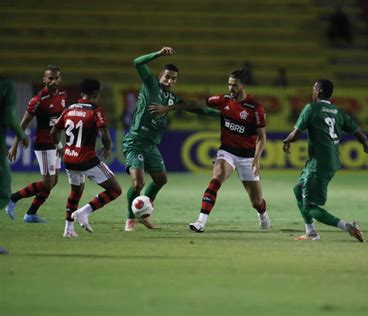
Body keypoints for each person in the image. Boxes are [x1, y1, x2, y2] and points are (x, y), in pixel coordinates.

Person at [123, 47, 219, 232]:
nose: (169, 81)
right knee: (138, 183)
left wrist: (223, 114)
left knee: (160, 180)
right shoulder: (150, 84)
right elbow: (137, 62)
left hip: (151, 145)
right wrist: (158, 54)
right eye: (167, 77)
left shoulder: (171, 98)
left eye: (173, 78)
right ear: (160, 76)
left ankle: (144, 212)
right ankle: (130, 219)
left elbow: (197, 109)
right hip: (136, 141)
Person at [282, 79, 368, 242]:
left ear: (319, 92)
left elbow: (295, 133)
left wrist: (287, 141)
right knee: (298, 190)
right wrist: (366, 145)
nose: (312, 92)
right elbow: (357, 131)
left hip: (319, 164)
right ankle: (310, 232)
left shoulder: (312, 108)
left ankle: (348, 226)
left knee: (310, 207)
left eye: (314, 89)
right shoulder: (338, 111)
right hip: (328, 162)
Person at [188, 69, 270, 233]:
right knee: (216, 178)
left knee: (256, 201)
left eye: (234, 85)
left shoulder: (255, 108)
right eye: (229, 84)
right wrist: (170, 107)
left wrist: (256, 159)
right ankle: (200, 222)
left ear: (244, 85)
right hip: (227, 152)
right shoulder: (223, 100)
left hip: (247, 157)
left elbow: (262, 137)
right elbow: (198, 104)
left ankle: (263, 215)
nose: (231, 88)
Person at [51, 79, 122, 237]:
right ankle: (84, 212)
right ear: (96, 93)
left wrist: (60, 148)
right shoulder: (95, 110)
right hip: (87, 160)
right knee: (115, 190)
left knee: (75, 192)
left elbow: (53, 132)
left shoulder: (69, 109)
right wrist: (108, 147)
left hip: (69, 159)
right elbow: (104, 133)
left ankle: (68, 229)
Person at [5, 65, 67, 223]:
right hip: (44, 144)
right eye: (50, 78)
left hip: (56, 144)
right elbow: (23, 124)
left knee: (53, 182)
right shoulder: (37, 100)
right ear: (44, 80)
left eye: (56, 78)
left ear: (60, 79)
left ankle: (31, 214)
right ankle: (13, 198)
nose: (54, 81)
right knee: (47, 182)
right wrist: (13, 145)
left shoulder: (63, 95)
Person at [1, 76, 29, 209]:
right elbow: (9, 116)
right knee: (4, 187)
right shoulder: (7, 85)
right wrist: (22, 136)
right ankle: (9, 200)